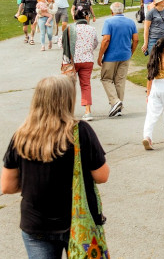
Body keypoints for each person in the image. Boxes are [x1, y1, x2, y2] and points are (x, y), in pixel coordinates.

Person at [1, 75, 109, 258]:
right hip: (78, 221)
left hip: (36, 224)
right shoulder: (80, 132)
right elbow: (102, 176)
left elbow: (7, 186)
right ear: (67, 100)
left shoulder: (20, 136)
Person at [98, 2, 139, 118]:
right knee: (120, 81)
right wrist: (131, 52)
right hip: (125, 55)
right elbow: (135, 40)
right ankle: (118, 108)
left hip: (111, 56)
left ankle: (115, 102)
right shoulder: (130, 22)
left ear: (112, 12)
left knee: (106, 79)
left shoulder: (109, 22)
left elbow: (106, 40)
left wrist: (100, 55)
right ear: (123, 10)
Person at [64, 8, 99, 121]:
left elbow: (61, 43)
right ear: (86, 18)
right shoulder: (92, 29)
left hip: (72, 61)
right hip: (87, 60)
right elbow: (95, 43)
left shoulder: (70, 29)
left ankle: (68, 111)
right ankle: (88, 111)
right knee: (85, 85)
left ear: (74, 18)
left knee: (69, 86)